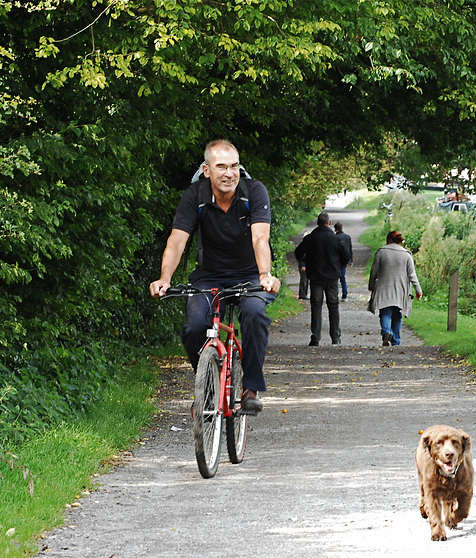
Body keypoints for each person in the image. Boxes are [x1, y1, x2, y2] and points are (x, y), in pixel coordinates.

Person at [149, 139, 280, 413]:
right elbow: (176, 241)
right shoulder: (195, 196)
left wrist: (265, 274)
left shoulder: (254, 192)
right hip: (208, 276)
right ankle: (206, 380)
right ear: (206, 170)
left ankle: (251, 388)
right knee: (195, 326)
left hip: (250, 275)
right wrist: (165, 278)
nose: (229, 173)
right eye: (221, 167)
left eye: (234, 166)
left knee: (255, 314)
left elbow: (260, 239)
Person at [294, 211, 349, 346]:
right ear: (329, 223)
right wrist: (337, 265)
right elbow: (346, 257)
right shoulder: (336, 239)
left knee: (316, 306)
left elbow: (298, 253)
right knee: (333, 306)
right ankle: (335, 337)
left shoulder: (311, 238)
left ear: (318, 223)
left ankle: (315, 337)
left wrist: (307, 261)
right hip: (332, 277)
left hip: (315, 277)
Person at [368, 230, 423, 346]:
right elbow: (412, 274)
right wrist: (418, 290)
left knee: (385, 313)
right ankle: (395, 341)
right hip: (401, 290)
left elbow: (374, 272)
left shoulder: (381, 252)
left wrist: (371, 286)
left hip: (384, 288)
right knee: (397, 315)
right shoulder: (407, 254)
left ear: (388, 240)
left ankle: (387, 332)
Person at [334, 221, 353, 299]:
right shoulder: (347, 237)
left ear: (335, 229)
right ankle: (344, 293)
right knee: (343, 277)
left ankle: (335, 294)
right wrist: (351, 260)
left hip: (336, 260)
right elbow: (350, 249)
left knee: (335, 278)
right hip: (345, 260)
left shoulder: (335, 237)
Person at [298, 230, 309, 300]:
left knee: (306, 280)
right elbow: (301, 257)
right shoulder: (304, 247)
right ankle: (302, 294)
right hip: (303, 266)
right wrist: (302, 265)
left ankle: (304, 294)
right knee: (304, 280)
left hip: (306, 265)